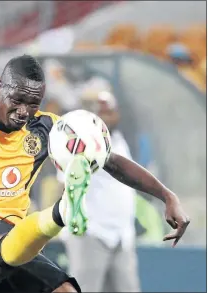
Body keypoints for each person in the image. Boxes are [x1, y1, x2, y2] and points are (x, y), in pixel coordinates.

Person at [0, 55, 190, 293]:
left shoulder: (46, 129)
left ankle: (57, 215)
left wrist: (167, 195)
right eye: (17, 100)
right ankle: (59, 214)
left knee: (66, 290)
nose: (24, 112)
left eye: (34, 104)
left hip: (16, 236)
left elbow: (110, 160)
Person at [61, 90, 141, 292]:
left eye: (111, 111)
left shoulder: (120, 140)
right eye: (102, 112)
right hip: (91, 232)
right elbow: (67, 182)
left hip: (121, 235)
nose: (108, 116)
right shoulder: (81, 143)